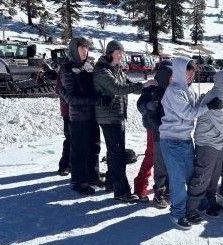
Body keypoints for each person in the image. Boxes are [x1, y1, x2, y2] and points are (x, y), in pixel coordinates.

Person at [159, 57, 222, 230]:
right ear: (179, 71)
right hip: (171, 141)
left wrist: (206, 101)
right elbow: (187, 113)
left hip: (186, 140)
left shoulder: (189, 89)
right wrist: (208, 107)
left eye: (193, 71)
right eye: (188, 70)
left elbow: (196, 107)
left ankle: (197, 204)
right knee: (178, 180)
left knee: (192, 175)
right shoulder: (174, 91)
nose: (191, 74)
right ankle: (177, 213)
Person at [93, 40, 156, 203]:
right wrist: (142, 86)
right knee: (118, 153)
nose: (122, 55)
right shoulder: (102, 70)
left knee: (115, 151)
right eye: (118, 52)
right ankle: (122, 191)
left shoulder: (117, 69)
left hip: (117, 115)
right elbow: (117, 89)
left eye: (122, 52)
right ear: (111, 53)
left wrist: (147, 87)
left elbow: (128, 84)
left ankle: (111, 183)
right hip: (108, 116)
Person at [185, 70, 223, 222]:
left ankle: (209, 202)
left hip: (217, 143)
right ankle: (190, 209)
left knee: (214, 177)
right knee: (202, 177)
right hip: (207, 144)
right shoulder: (216, 97)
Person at [60, 37, 103, 195]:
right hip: (78, 117)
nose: (85, 51)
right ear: (74, 50)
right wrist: (95, 100)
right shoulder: (67, 69)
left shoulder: (89, 66)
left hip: (93, 115)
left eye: (86, 48)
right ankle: (79, 180)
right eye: (82, 48)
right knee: (80, 149)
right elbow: (71, 98)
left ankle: (93, 175)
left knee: (94, 146)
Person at [133, 60, 172, 207]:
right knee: (152, 156)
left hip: (167, 129)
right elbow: (140, 105)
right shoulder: (153, 85)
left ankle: (166, 187)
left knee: (166, 158)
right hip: (152, 127)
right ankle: (140, 187)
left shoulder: (171, 87)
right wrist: (147, 105)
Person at [55, 66, 71, 176]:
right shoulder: (65, 68)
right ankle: (64, 165)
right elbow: (58, 88)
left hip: (83, 110)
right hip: (68, 110)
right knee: (70, 138)